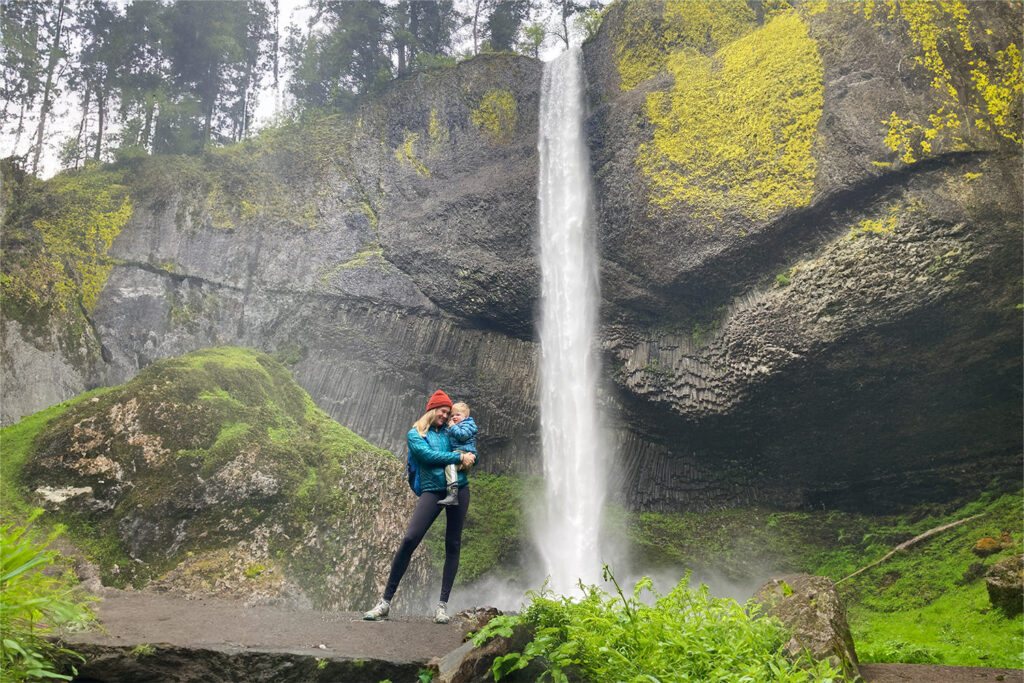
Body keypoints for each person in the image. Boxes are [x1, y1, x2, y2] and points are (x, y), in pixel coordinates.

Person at [363, 390, 476, 624]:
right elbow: (427, 456)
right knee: (410, 539)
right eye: (442, 412)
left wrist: (472, 456)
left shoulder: (450, 431)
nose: (445, 416)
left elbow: (468, 446)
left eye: (448, 412)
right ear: (431, 410)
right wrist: (458, 458)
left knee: (453, 544)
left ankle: (442, 607)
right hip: (433, 490)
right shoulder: (415, 434)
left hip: (459, 488)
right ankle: (385, 602)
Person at [438, 402, 478, 507]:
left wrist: (452, 427)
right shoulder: (455, 426)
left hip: (464, 451)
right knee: (455, 470)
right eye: (452, 415)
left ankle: (452, 494)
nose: (454, 417)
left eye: (458, 415)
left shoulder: (469, 424)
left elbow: (463, 436)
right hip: (459, 452)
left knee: (450, 464)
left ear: (466, 416)